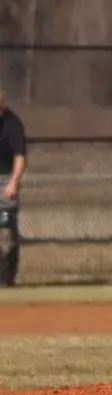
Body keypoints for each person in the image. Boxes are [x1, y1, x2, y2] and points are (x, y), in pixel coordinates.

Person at [0, 85, 27, 287]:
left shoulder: (12, 124)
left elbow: (20, 156)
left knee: (7, 230)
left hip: (5, 179)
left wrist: (13, 182)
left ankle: (8, 278)